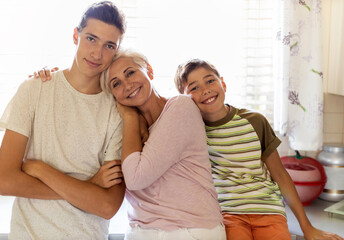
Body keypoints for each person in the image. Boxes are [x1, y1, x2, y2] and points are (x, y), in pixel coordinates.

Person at [0, 2, 126, 239]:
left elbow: (107, 206)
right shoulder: (34, 90)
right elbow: (5, 181)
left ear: (116, 50)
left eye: (109, 45)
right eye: (91, 39)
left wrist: (40, 170)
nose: (97, 53)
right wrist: (88, 186)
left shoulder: (117, 111)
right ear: (76, 35)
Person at [173, 59, 344, 240]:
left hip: (268, 210)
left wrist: (307, 227)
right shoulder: (193, 132)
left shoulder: (254, 121)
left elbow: (280, 175)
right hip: (229, 214)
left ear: (222, 83)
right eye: (194, 88)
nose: (205, 89)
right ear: (185, 99)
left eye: (210, 81)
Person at [101, 49, 226, 240]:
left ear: (149, 71)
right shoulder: (124, 130)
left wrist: (130, 116)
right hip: (140, 231)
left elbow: (135, 178)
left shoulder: (180, 107)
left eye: (131, 72)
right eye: (116, 83)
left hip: (190, 230)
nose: (127, 85)